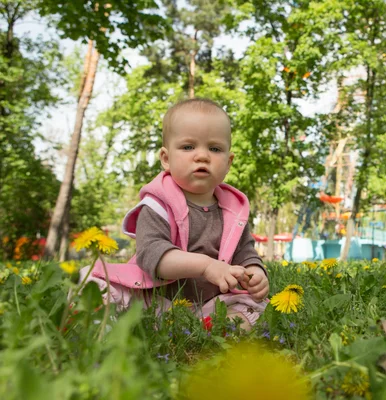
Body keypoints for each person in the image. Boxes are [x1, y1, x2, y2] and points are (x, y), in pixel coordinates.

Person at [81, 98, 269, 330]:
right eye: (188, 147)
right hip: (155, 298)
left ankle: (214, 329)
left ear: (228, 162)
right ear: (166, 159)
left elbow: (245, 251)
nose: (202, 156)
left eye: (215, 148)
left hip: (212, 302)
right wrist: (206, 266)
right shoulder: (158, 205)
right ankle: (105, 326)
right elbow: (152, 255)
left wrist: (255, 272)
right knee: (95, 283)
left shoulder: (233, 211)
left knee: (255, 306)